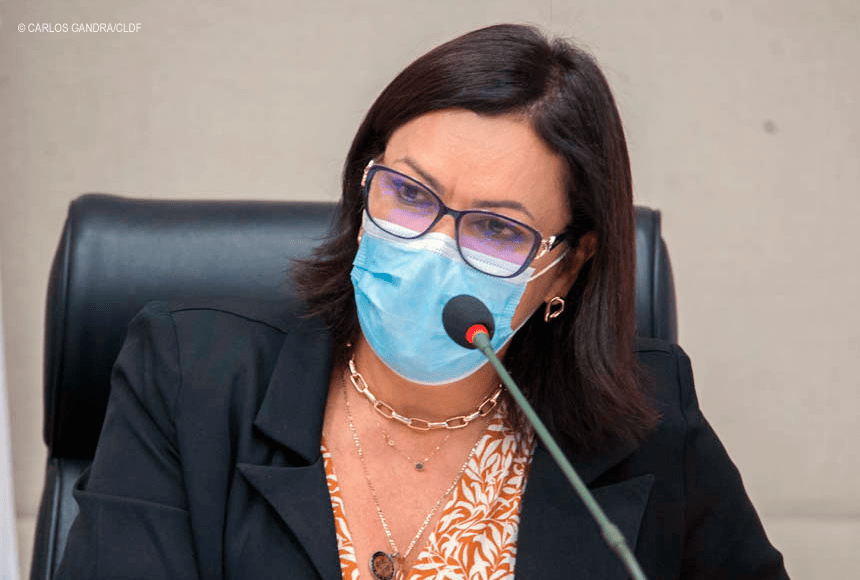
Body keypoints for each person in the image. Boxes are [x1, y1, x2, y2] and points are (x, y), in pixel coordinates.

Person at [56, 24, 789, 580]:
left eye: (497, 229)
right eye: (409, 194)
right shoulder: (188, 374)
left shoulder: (652, 422)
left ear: (565, 268)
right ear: (363, 187)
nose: (432, 246)